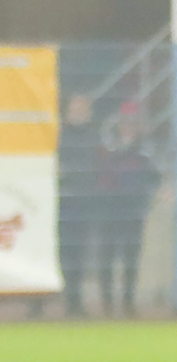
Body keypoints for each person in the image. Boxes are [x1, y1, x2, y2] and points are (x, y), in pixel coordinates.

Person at [98, 106, 159, 317]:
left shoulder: (145, 150)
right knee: (107, 256)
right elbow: (101, 174)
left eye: (133, 122)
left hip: (134, 210)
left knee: (131, 258)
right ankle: (107, 302)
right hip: (110, 209)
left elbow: (154, 177)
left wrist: (145, 198)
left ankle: (128, 301)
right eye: (125, 122)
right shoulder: (108, 147)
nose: (129, 127)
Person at [56, 94, 106, 317]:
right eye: (75, 108)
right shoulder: (59, 136)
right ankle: (54, 299)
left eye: (82, 109)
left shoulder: (94, 137)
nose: (79, 113)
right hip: (62, 202)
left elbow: (98, 167)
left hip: (85, 203)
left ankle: (75, 300)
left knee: (80, 253)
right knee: (61, 251)